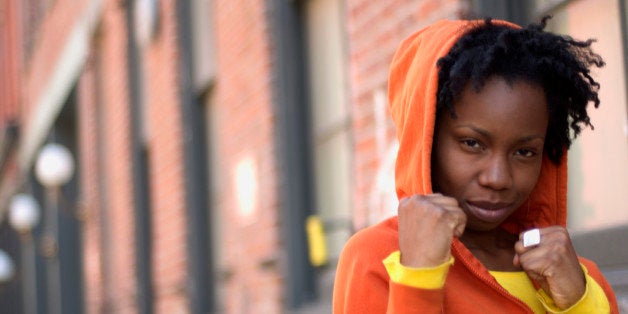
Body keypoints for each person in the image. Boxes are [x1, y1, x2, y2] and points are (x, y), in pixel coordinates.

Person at [332, 17, 619, 313]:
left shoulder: (575, 277)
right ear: (427, 138)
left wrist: (580, 304)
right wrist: (418, 276)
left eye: (524, 152)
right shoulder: (376, 258)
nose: (497, 178)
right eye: (472, 144)